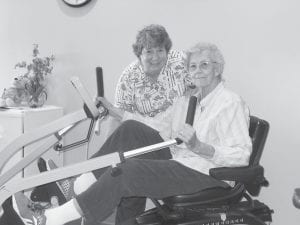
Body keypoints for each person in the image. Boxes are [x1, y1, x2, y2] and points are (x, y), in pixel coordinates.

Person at [12, 42, 252, 225]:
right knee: (131, 130)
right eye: (193, 66)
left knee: (128, 170)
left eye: (205, 65)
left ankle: (50, 219)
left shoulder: (230, 103)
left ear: (218, 68)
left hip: (205, 172)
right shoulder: (188, 100)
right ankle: (78, 186)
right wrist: (114, 110)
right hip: (181, 159)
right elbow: (154, 125)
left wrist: (201, 146)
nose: (198, 71)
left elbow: (241, 156)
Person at [28, 24, 191, 207]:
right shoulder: (129, 77)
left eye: (160, 51)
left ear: (167, 51)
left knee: (131, 130)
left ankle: (75, 185)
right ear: (139, 54)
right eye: (149, 52)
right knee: (122, 160)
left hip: (172, 145)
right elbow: (116, 120)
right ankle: (74, 188)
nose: (155, 57)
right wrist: (110, 153)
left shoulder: (181, 65)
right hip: (145, 141)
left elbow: (205, 81)